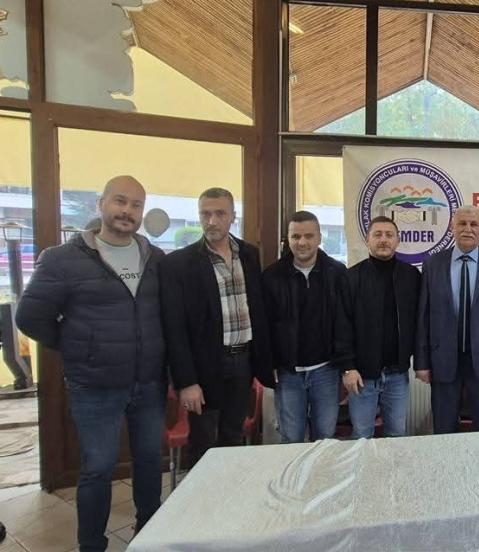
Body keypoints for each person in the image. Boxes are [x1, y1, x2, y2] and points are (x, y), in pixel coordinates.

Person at [16, 175, 166, 552]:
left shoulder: (155, 258)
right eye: (120, 201)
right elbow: (30, 317)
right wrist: (79, 346)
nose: (127, 211)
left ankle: (149, 537)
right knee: (98, 468)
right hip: (95, 387)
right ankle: (91, 546)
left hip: (149, 382)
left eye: (135, 205)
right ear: (101, 204)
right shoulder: (62, 259)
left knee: (150, 462)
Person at [160, 188, 272, 467]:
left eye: (220, 213)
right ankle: (202, 494)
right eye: (205, 214)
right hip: (205, 367)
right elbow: (174, 329)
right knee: (203, 444)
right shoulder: (179, 264)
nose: (211, 221)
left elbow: (257, 310)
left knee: (232, 438)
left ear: (233, 216)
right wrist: (186, 382)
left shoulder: (249, 254)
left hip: (243, 361)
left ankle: (228, 492)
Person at [416, 205, 479, 433]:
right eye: (462, 224)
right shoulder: (432, 263)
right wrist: (421, 362)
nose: (467, 229)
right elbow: (423, 316)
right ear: (453, 228)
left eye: (473, 224)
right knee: (444, 428)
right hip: (443, 360)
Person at [262, 210, 346, 443]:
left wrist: (345, 364)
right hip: (288, 373)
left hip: (326, 371)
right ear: (287, 239)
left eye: (309, 236)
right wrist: (269, 364)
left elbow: (344, 323)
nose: (302, 242)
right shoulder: (271, 277)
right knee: (291, 438)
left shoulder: (338, 273)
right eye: (295, 236)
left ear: (319, 237)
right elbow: (265, 326)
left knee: (325, 438)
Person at [336, 216, 421, 438]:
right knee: (362, 436)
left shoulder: (412, 276)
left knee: (397, 435)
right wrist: (347, 368)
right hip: (362, 376)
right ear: (367, 240)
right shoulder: (350, 278)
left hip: (397, 375)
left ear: (398, 241)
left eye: (389, 235)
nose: (383, 240)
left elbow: (420, 323)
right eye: (377, 235)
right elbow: (342, 326)